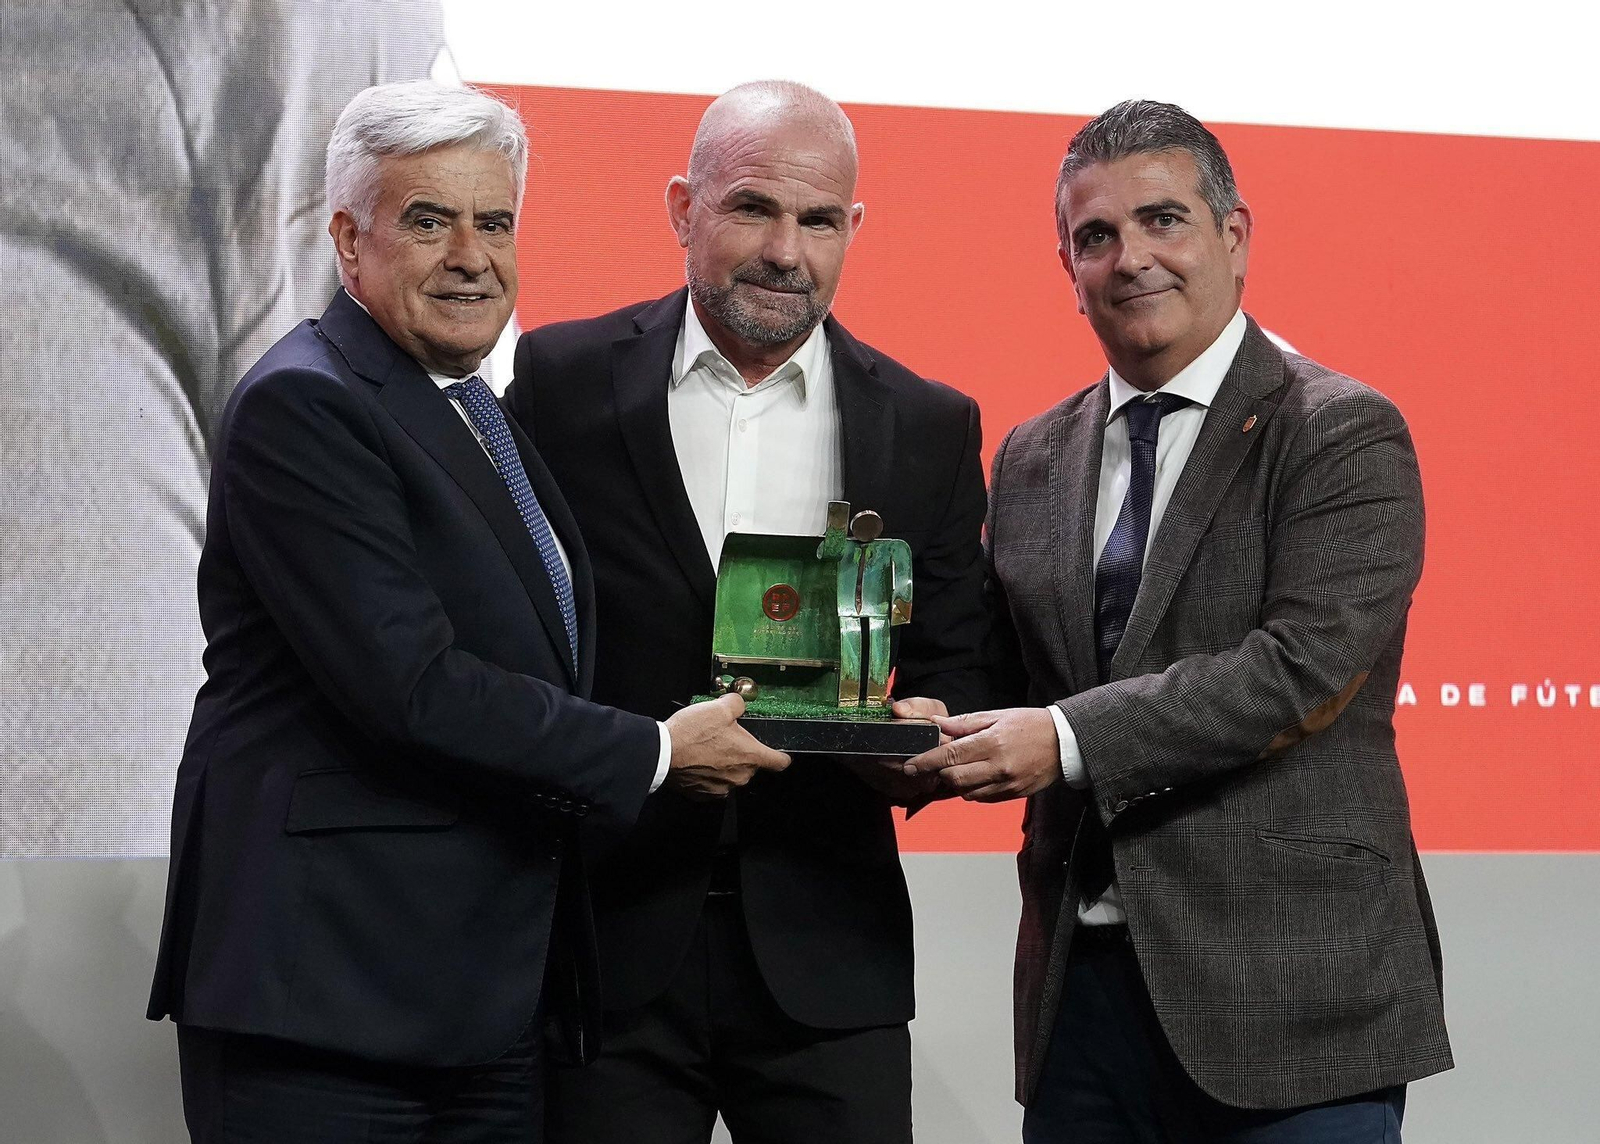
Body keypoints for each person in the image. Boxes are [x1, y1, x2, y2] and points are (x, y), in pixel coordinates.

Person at [145, 80, 787, 1143]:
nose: (471, 255)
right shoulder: (306, 403)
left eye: (494, 222)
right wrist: (656, 752)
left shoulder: (476, 409)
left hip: (478, 1005)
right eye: (429, 221)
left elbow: (532, 660)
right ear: (350, 239)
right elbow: (412, 685)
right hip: (328, 1009)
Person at [905, 100, 1453, 1142]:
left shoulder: (1340, 430)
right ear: (1065, 266)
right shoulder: (1031, 456)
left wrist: (1061, 739)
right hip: (1083, 997)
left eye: (1162, 220)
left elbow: (1296, 671)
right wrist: (916, 727)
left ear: (1233, 236)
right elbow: (1010, 671)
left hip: (1291, 1003)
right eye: (1095, 236)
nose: (1130, 259)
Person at [504, 81, 989, 1144]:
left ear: (852, 229)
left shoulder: (930, 424)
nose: (785, 249)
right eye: (751, 209)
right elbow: (512, 638)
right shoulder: (558, 381)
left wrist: (922, 736)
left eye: (818, 221)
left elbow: (966, 664)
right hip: (608, 940)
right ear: (683, 209)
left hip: (828, 949)